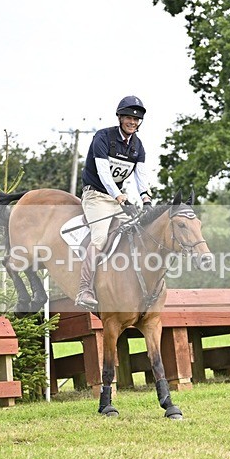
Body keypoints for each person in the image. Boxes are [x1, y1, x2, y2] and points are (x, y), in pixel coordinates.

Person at [75, 95, 154, 310]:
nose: (132, 122)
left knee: (136, 233)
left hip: (117, 198)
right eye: (129, 117)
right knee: (100, 238)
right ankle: (84, 289)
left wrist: (146, 199)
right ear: (120, 117)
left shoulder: (137, 146)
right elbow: (104, 174)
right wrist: (120, 198)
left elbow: (141, 176)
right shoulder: (103, 137)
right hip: (95, 195)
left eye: (136, 119)